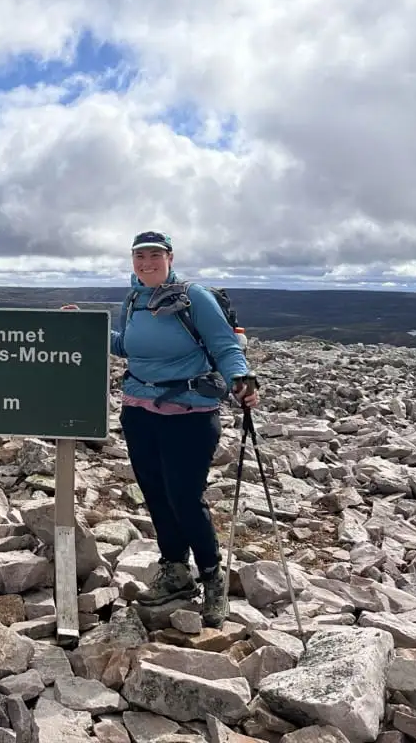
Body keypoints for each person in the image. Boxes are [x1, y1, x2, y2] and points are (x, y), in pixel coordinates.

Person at [65, 229, 259, 627]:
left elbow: (224, 345)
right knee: (155, 494)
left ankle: (212, 579)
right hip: (139, 411)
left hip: (189, 413)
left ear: (170, 257)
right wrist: (87, 327)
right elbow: (126, 347)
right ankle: (175, 571)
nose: (146, 262)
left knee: (184, 498)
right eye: (139, 256)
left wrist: (242, 378)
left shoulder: (195, 297)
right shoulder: (134, 299)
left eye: (155, 255)